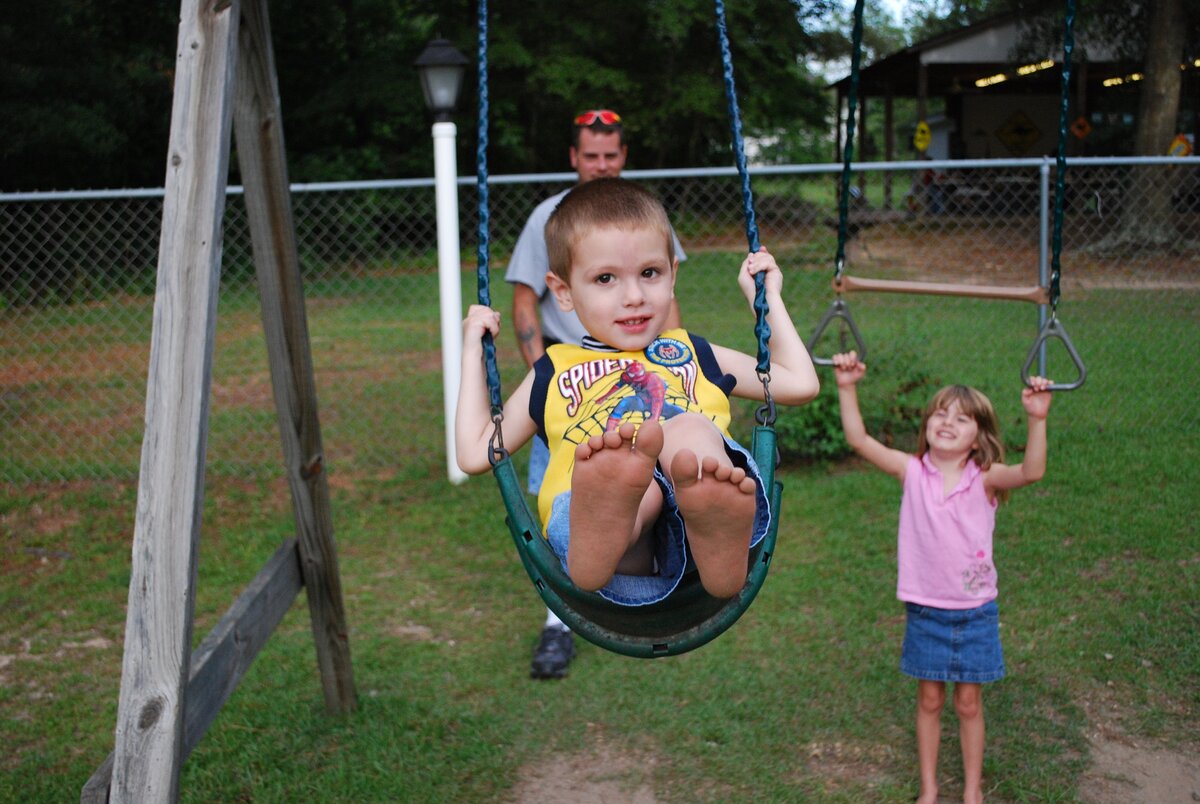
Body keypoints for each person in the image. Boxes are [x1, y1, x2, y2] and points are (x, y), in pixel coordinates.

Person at [458, 177, 819, 624]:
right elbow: (476, 451)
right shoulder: (551, 371)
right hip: (609, 544)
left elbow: (799, 383)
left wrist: (767, 301)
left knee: (687, 431)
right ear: (564, 291)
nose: (634, 297)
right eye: (605, 278)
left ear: (672, 276)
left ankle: (715, 523)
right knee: (631, 478)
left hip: (688, 545)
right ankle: (607, 526)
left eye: (649, 273)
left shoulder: (692, 352)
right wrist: (474, 350)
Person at [504, 109, 686, 678]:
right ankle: (562, 621)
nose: (602, 166)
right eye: (592, 156)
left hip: (645, 381)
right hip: (573, 380)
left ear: (622, 157)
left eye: (611, 156)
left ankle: (669, 584)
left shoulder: (641, 214)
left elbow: (668, 305)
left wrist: (682, 362)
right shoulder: (547, 219)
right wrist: (548, 382)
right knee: (562, 498)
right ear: (574, 159)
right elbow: (524, 301)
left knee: (657, 484)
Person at [832, 351, 1053, 804]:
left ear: (979, 438)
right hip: (926, 610)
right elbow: (857, 438)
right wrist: (846, 386)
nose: (947, 421)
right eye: (939, 413)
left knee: (968, 704)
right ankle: (929, 790)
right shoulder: (911, 472)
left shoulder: (985, 479)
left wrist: (1037, 419)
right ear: (927, 425)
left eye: (962, 419)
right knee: (930, 702)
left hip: (975, 612)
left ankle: (973, 791)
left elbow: (1033, 472)